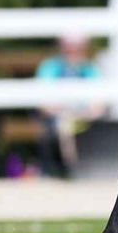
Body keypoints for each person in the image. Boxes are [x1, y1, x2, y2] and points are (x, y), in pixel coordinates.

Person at [34, 33, 106, 178]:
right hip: (59, 116)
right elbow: (44, 105)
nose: (73, 50)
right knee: (65, 124)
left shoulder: (91, 68)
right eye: (69, 46)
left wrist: (86, 113)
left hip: (86, 116)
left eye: (76, 47)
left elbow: (99, 105)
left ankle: (75, 168)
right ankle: (73, 168)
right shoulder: (49, 67)